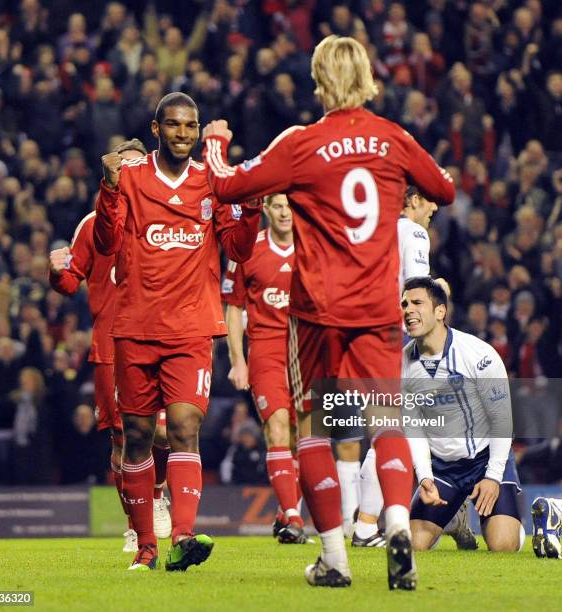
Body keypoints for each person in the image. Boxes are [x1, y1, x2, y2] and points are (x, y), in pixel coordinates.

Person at [202, 35, 455, 589]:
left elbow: (225, 185)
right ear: (367, 77)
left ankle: (335, 559)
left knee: (315, 425)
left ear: (319, 82)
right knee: (387, 418)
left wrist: (216, 142)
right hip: (374, 307)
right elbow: (445, 188)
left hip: (317, 309)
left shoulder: (301, 143)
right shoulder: (394, 138)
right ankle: (394, 526)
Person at [93, 92, 261, 572]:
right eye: (173, 125)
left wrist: (249, 212)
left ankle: (183, 537)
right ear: (156, 128)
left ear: (198, 129)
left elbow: (237, 249)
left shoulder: (212, 182)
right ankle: (145, 546)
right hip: (135, 327)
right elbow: (105, 242)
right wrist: (107, 190)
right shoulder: (129, 178)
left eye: (190, 126)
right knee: (140, 435)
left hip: (190, 329)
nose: (183, 133)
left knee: (186, 426)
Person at [49, 138, 172, 554]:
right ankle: (137, 524)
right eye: (125, 168)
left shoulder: (167, 216)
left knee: (165, 431)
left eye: (140, 167)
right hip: (110, 343)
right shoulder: (92, 223)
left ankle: (157, 499)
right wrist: (56, 270)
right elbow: (69, 283)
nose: (132, 175)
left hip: (159, 336)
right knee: (122, 439)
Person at [353, 187, 477, 551]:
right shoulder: (413, 232)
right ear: (412, 200)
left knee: (385, 431)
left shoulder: (375, 229)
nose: (435, 207)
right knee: (394, 431)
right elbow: (416, 291)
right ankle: (365, 526)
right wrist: (441, 289)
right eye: (429, 199)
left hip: (361, 339)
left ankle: (365, 524)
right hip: (389, 341)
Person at [401, 277, 524, 553]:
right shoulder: (402, 366)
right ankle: (455, 518)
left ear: (440, 311)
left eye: (417, 303)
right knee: (414, 545)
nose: (408, 309)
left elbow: (502, 419)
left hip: (485, 459)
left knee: (502, 547)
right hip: (443, 468)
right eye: (404, 304)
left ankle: (542, 516)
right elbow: (415, 428)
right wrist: (424, 477)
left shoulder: (479, 354)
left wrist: (493, 475)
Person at [221, 193, 308, 543]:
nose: (285, 213)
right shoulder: (246, 250)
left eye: (290, 206)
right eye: (277, 206)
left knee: (305, 440)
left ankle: (284, 508)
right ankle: (293, 518)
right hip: (266, 353)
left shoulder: (314, 246)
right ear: (267, 210)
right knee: (276, 430)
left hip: (307, 354)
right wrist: (237, 360)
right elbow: (232, 307)